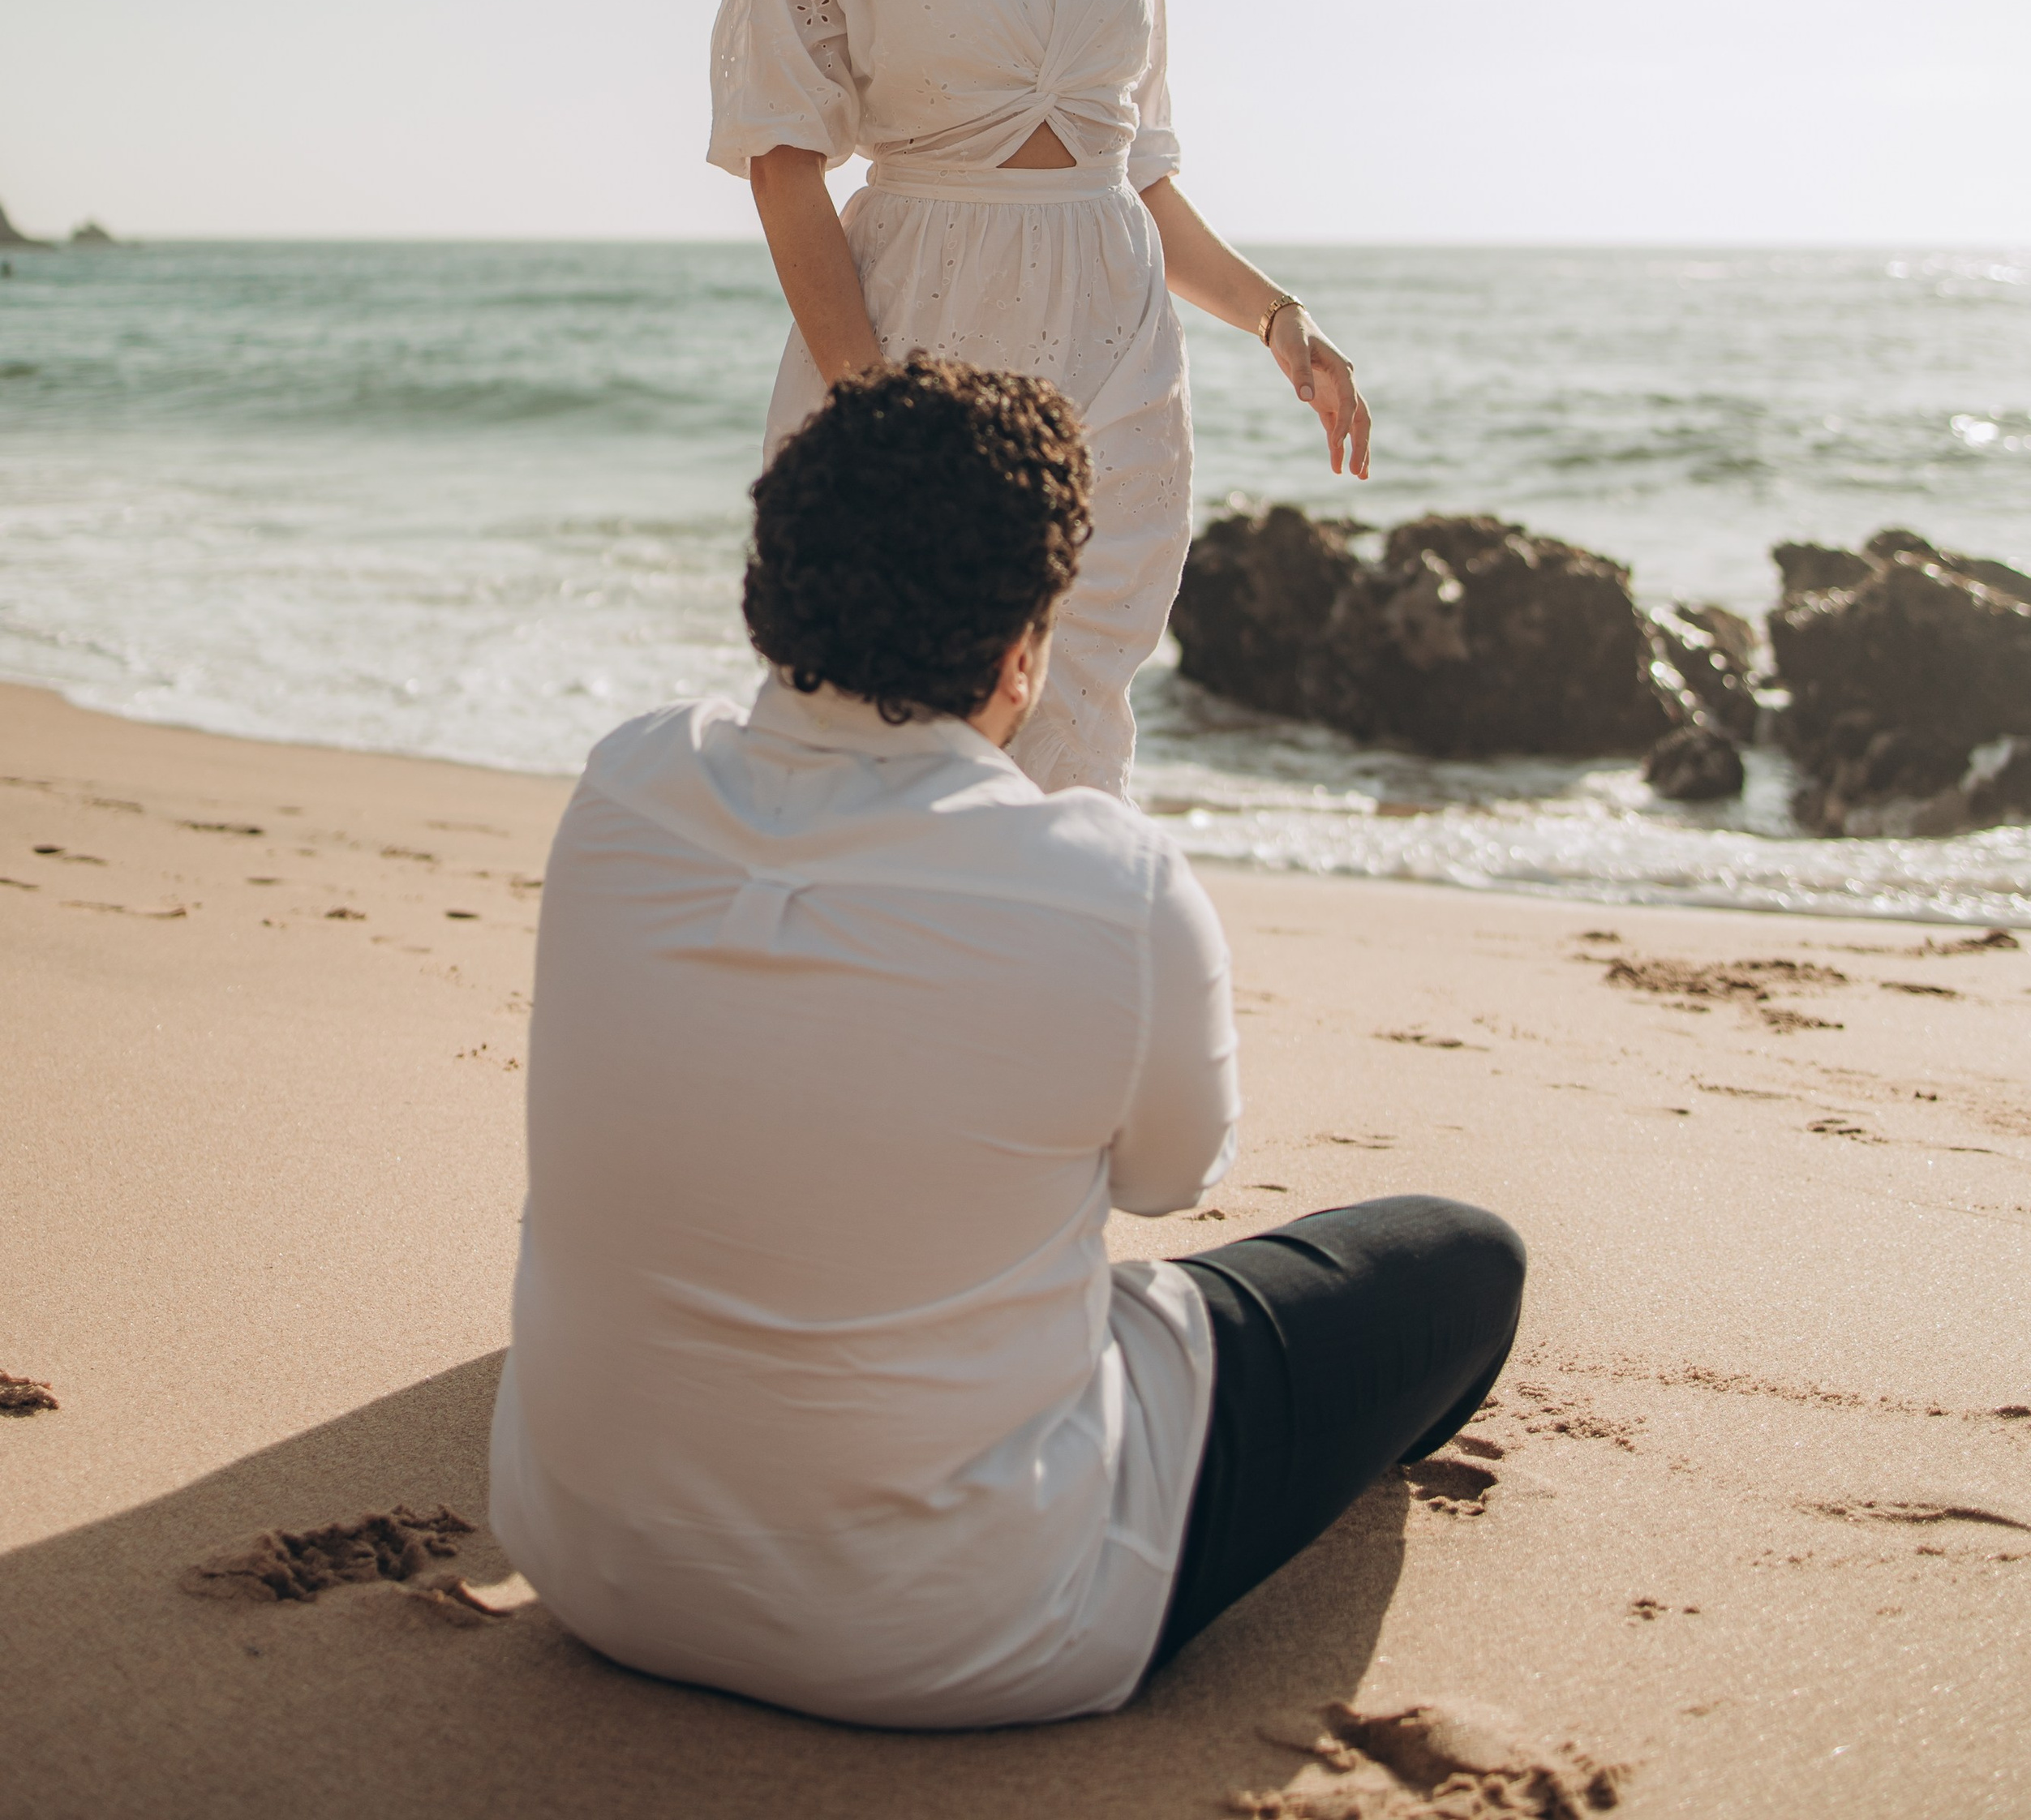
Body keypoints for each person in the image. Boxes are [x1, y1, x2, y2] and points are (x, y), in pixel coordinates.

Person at [489, 356, 1525, 1729]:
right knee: (1462, 1264)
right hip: (965, 1627)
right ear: (1021, 648)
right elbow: (1170, 1178)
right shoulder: (1106, 882)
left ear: (773, 582)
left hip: (589, 1565)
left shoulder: (626, 781)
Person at [707, 0, 1373, 801]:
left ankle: (1054, 924)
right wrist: (876, 412)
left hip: (1118, 359)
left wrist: (1278, 319)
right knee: (896, 726)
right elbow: (781, 163)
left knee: (1075, 719)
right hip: (917, 347)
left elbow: (1139, 172)